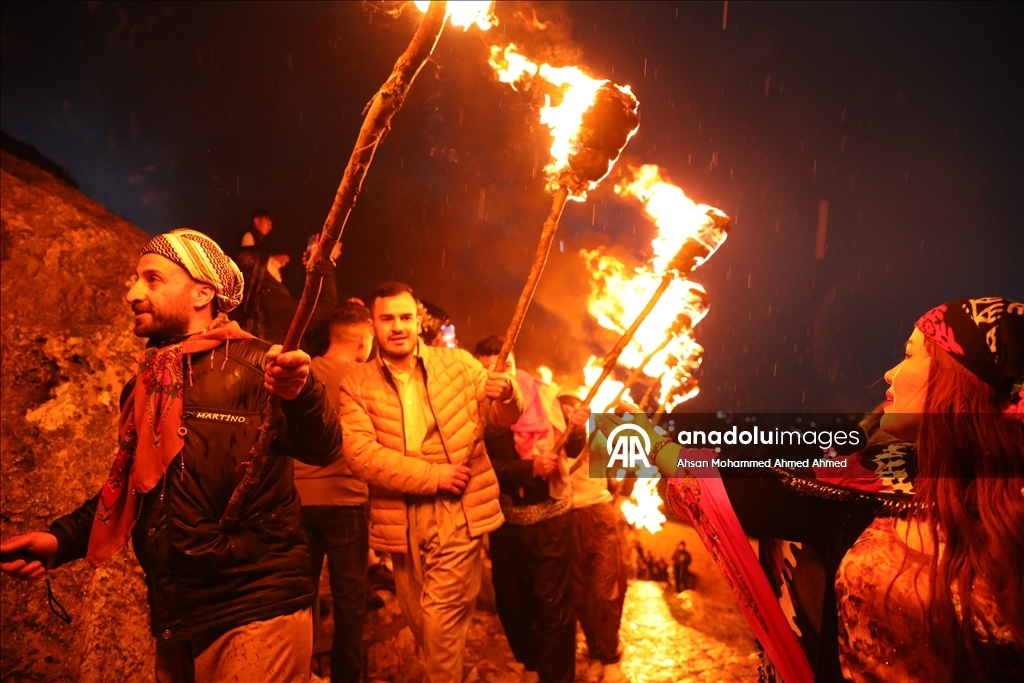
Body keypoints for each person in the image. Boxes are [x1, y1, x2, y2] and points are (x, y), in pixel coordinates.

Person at [612, 296, 1024, 683]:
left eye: (910, 354)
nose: (890, 373)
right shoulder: (876, 477)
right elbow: (752, 490)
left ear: (960, 377)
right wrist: (652, 442)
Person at [0, 229, 344, 683]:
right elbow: (136, 487)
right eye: (136, 279)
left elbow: (324, 447)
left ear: (203, 292)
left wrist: (302, 392)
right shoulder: (147, 383)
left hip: (257, 606)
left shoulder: (260, 365)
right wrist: (60, 541)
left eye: (153, 279)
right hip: (176, 613)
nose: (132, 293)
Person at [338, 282, 522, 683]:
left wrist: (508, 393)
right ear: (372, 325)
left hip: (458, 509)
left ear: (418, 320)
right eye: (387, 319)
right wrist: (433, 475)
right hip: (399, 515)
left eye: (405, 317)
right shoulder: (356, 384)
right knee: (421, 621)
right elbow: (360, 455)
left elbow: (502, 417)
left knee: (441, 620)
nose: (398, 327)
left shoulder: (459, 365)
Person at [473, 336, 577, 683]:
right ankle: (531, 666)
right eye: (489, 369)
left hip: (551, 520)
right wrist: (528, 468)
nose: (501, 377)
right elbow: (482, 466)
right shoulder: (477, 411)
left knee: (553, 605)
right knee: (512, 604)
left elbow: (573, 447)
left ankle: (556, 678)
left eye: (506, 367)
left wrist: (577, 428)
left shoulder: (545, 396)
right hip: (506, 524)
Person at [294, 302, 374, 683]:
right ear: (363, 340)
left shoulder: (302, 371)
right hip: (346, 500)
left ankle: (299, 672)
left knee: (300, 598)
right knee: (350, 602)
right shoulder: (364, 381)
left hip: (299, 500)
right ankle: (346, 677)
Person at [558, 395, 627, 683]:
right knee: (580, 595)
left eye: (574, 410)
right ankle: (595, 651)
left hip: (599, 515)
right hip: (566, 519)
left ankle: (611, 657)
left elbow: (624, 468)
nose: (570, 415)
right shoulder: (552, 440)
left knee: (603, 590)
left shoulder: (594, 437)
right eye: (564, 411)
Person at [231, 242, 339, 347]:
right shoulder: (272, 304)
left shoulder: (246, 306)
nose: (278, 264)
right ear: (259, 270)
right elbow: (327, 306)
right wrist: (323, 262)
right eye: (272, 261)